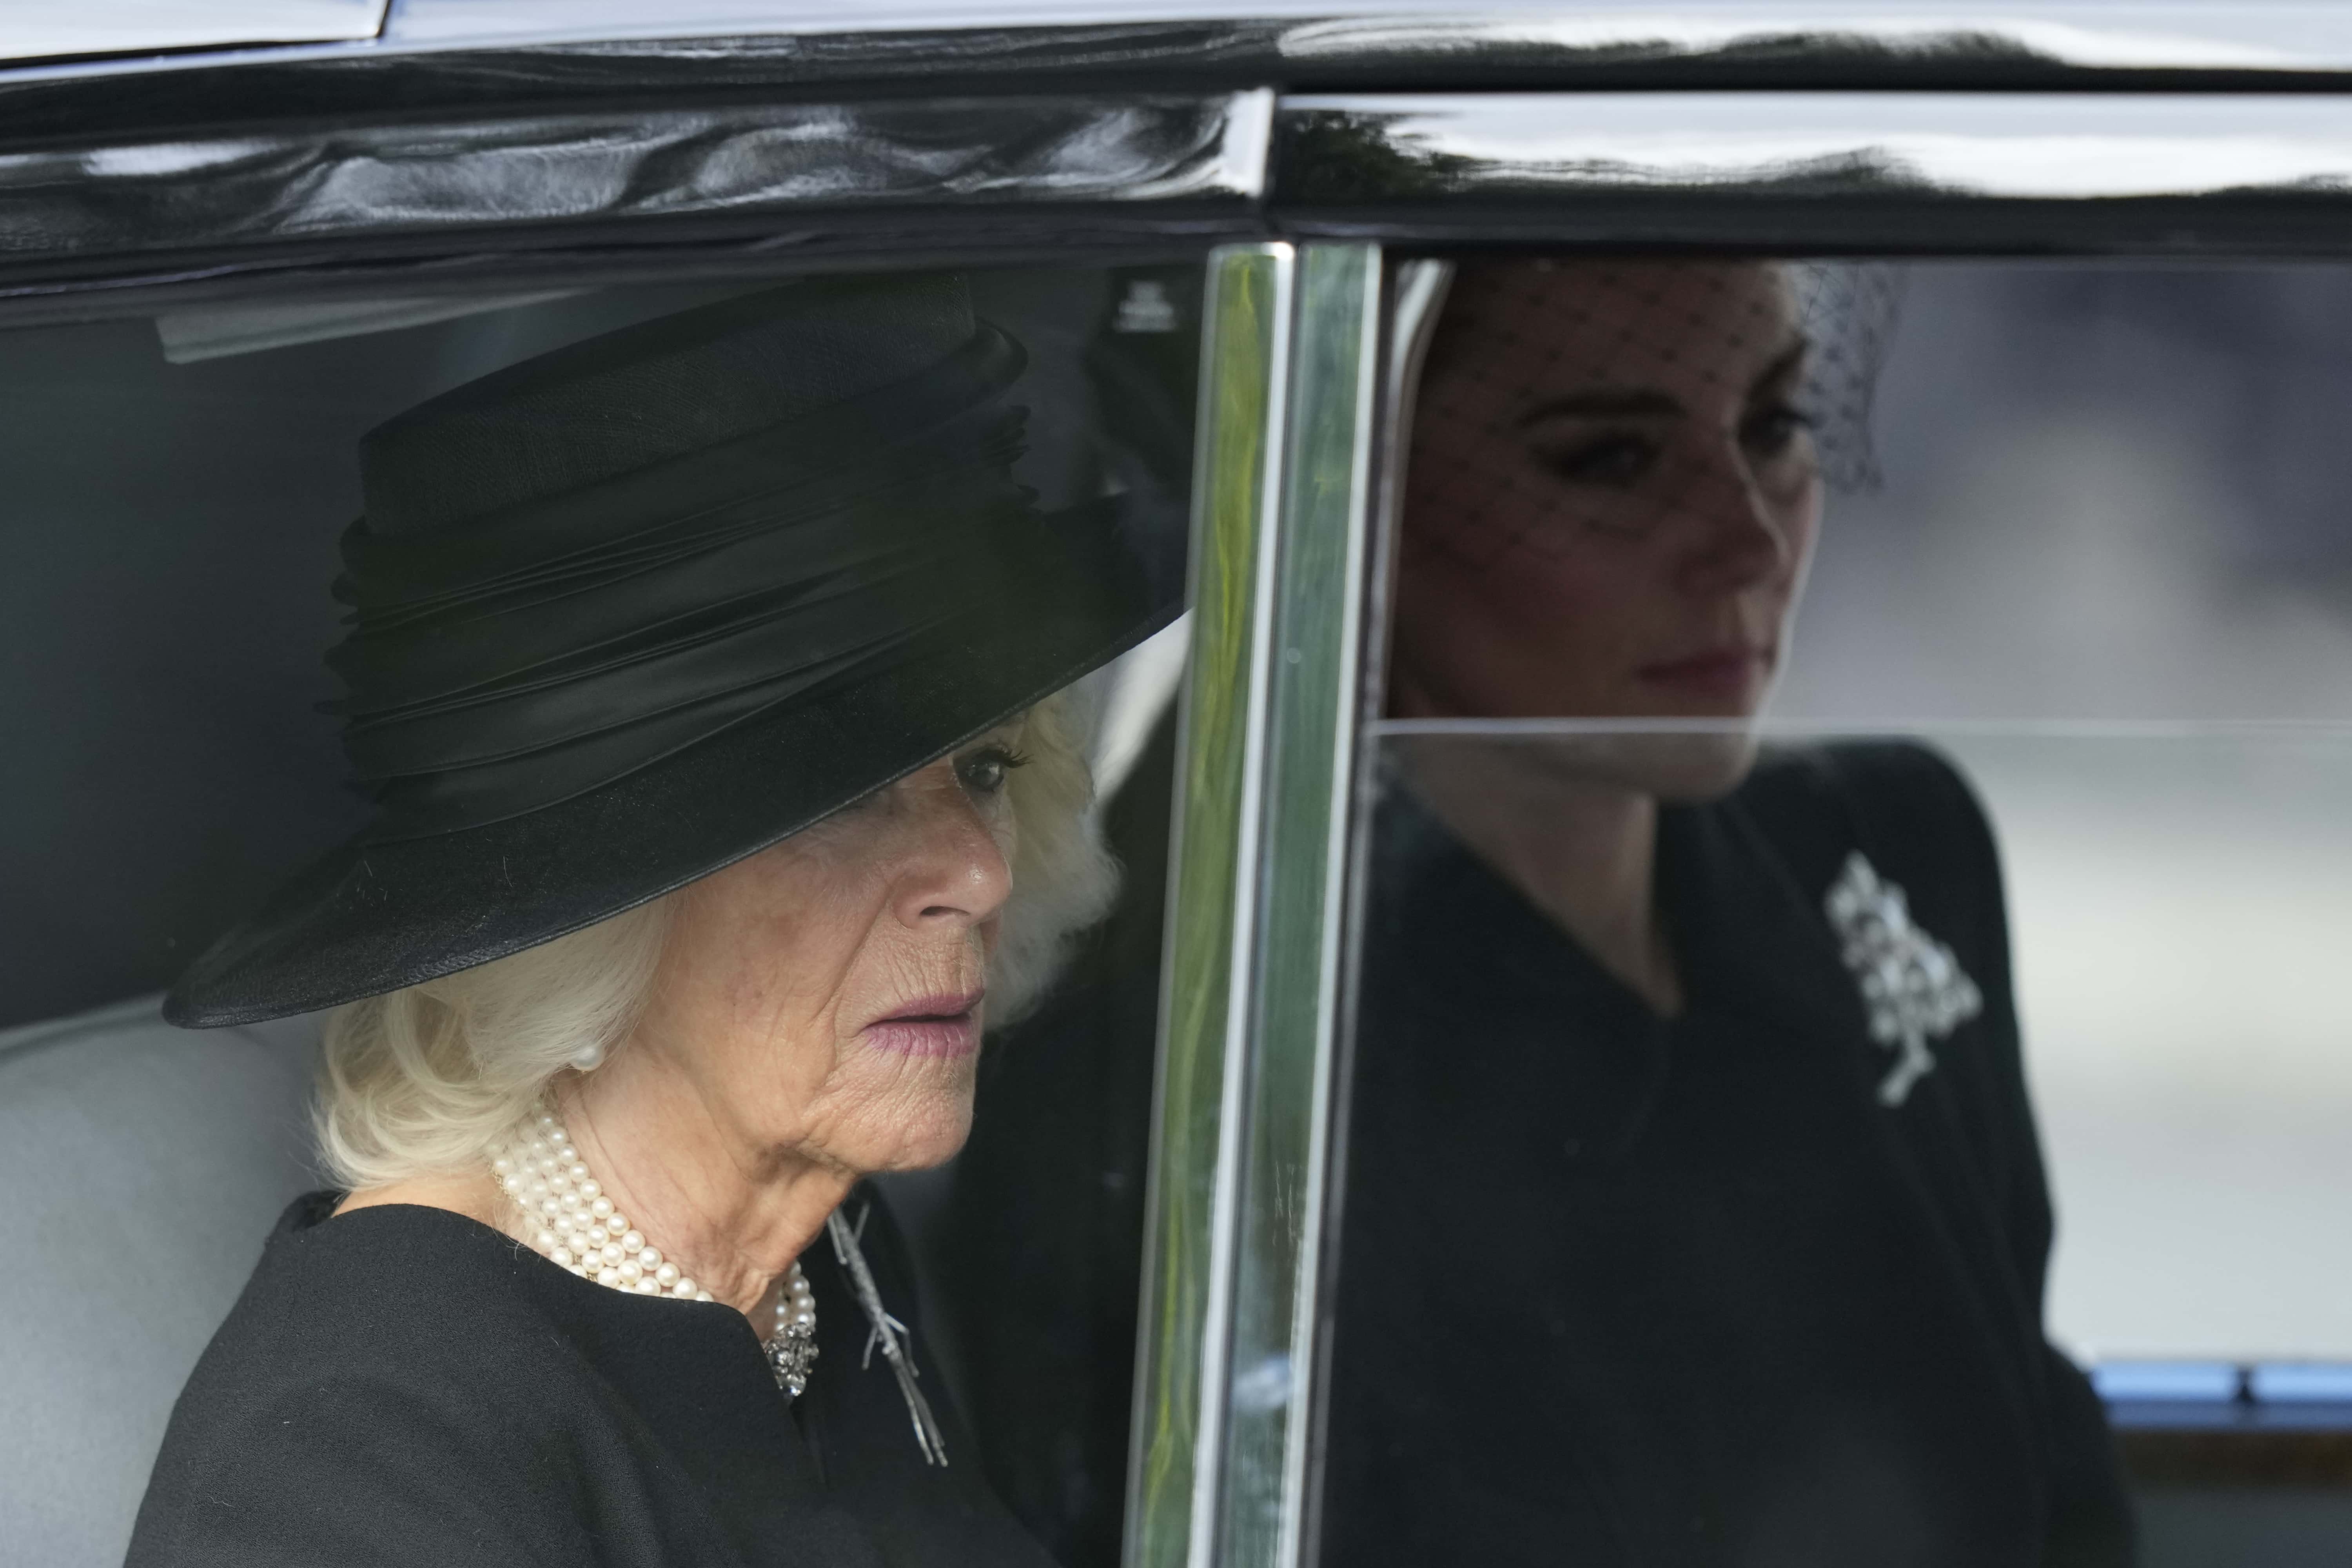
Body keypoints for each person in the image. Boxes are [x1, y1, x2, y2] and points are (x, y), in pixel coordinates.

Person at [126, 274, 1177, 1567]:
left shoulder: (811, 1243)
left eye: (983, 769)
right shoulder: (361, 1446)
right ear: (590, 909)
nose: (976, 868)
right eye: (843, 800)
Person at [1319, 259, 2135, 1566]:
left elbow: (2048, 1466)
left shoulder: (1890, 851)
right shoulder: (1271, 1011)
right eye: (1607, 461)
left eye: (1773, 429)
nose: (1750, 539)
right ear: (1357, 485)